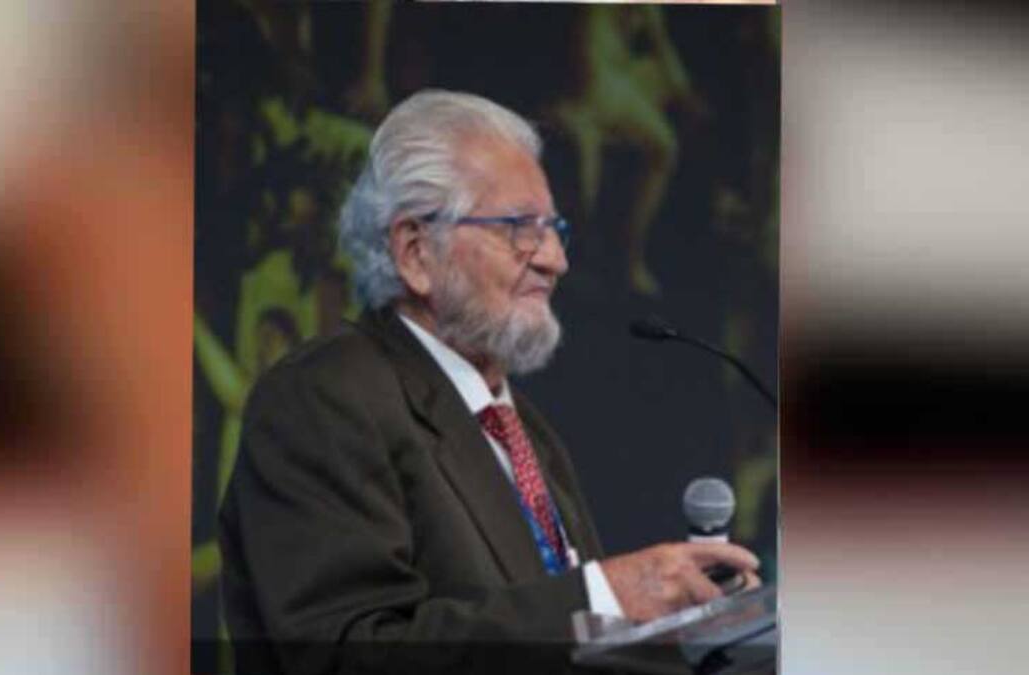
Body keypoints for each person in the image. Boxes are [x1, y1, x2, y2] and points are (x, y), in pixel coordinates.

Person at [218, 90, 761, 674]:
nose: (555, 260)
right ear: (416, 252)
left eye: (553, 229)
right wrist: (608, 594)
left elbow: (559, 644)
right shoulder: (323, 399)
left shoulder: (521, 426)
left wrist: (682, 639)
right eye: (519, 228)